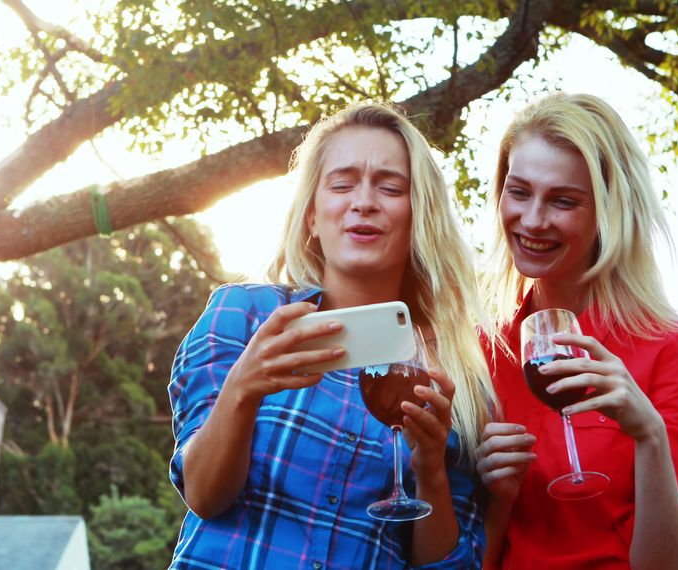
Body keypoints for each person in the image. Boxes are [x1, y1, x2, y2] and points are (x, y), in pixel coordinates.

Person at [167, 102, 498, 569]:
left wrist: (431, 472)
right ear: (312, 218)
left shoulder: (457, 376)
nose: (364, 201)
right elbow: (203, 494)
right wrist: (243, 388)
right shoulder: (244, 315)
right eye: (342, 184)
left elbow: (446, 565)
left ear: (418, 216)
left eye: (390, 187)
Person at [475, 93, 678, 570]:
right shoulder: (483, 349)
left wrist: (649, 435)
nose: (532, 220)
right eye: (519, 191)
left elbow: (668, 564)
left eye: (563, 201)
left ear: (609, 211)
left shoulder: (673, 350)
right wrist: (496, 500)